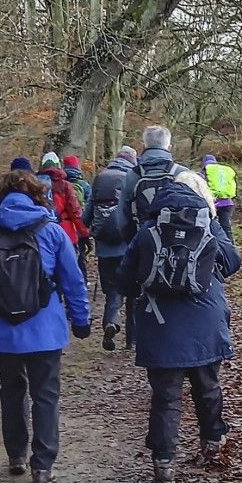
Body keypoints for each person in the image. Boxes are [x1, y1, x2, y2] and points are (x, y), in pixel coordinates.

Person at [0, 169, 91, 483]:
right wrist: (81, 318)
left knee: (11, 391)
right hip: (45, 328)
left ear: (0, 198)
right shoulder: (52, 231)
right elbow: (73, 281)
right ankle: (43, 468)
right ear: (38, 195)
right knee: (45, 395)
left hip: (5, 331)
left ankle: (16, 454)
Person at [117, 173, 242, 483]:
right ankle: (213, 442)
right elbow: (232, 262)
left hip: (160, 327)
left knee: (165, 398)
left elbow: (124, 281)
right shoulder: (208, 225)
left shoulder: (148, 230)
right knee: (208, 387)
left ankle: (164, 464)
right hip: (205, 322)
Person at [83, 146, 138, 351]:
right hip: (128, 245)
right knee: (133, 291)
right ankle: (132, 340)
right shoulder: (132, 178)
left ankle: (111, 322)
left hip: (105, 246)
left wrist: (87, 232)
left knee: (113, 290)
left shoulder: (100, 177)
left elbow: (87, 214)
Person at [118, 125, 189, 241]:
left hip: (143, 243)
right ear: (169, 147)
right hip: (178, 244)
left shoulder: (132, 175)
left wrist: (133, 244)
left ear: (143, 146)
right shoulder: (182, 174)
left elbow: (122, 219)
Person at [39, 152, 90, 276]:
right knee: (68, 270)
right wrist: (84, 233)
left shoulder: (35, 185)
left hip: (42, 233)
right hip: (66, 233)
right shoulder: (65, 185)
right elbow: (75, 212)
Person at [202, 154, 237, 243]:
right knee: (226, 226)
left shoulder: (207, 169)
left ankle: (212, 245)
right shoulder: (226, 170)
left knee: (209, 226)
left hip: (211, 203)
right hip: (227, 202)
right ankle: (230, 247)